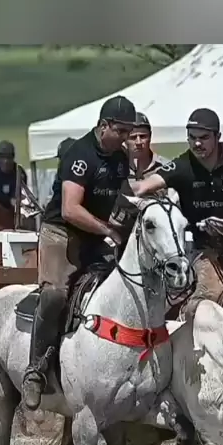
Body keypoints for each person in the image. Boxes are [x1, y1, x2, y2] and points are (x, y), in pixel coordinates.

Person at [22, 95, 137, 410]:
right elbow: (70, 210)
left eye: (129, 132)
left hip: (95, 235)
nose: (126, 138)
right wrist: (108, 230)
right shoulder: (79, 155)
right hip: (62, 233)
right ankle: (35, 370)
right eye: (121, 131)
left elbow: (126, 193)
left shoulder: (120, 157)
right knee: (55, 295)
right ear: (104, 126)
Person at [130, 107, 223, 308]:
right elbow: (142, 187)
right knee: (202, 305)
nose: (197, 143)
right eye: (192, 137)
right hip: (208, 251)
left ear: (218, 137)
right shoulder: (182, 165)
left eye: (204, 137)